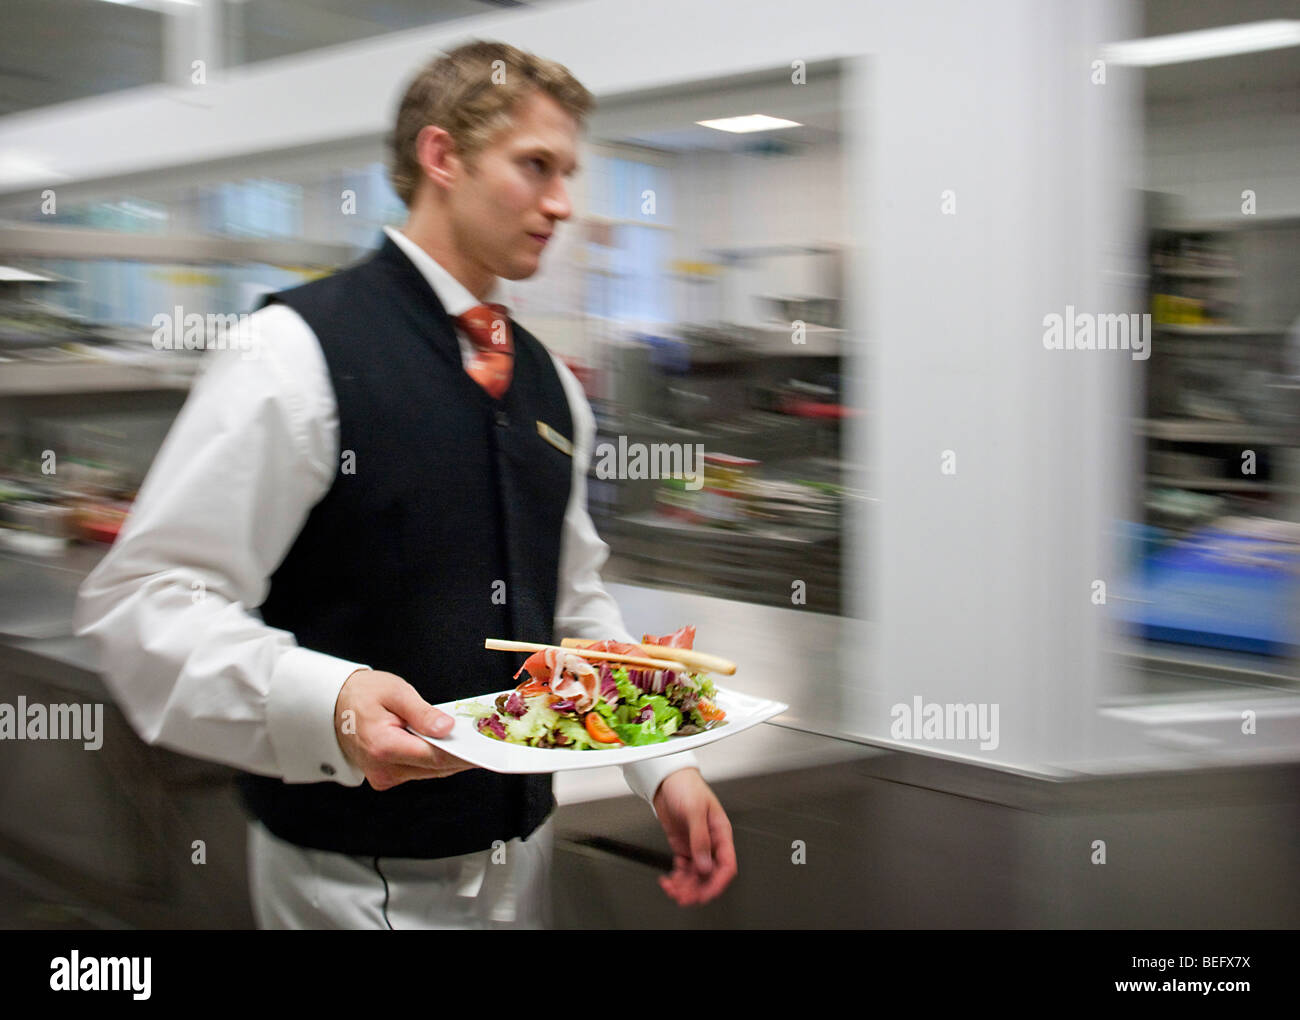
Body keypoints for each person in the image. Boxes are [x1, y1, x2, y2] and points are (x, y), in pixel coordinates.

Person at [74, 39, 737, 928]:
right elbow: (147, 599)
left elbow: (571, 606)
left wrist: (663, 762)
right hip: (356, 876)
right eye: (535, 166)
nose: (563, 204)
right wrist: (332, 703)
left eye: (569, 172)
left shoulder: (547, 383)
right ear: (442, 157)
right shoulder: (296, 350)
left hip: (518, 859)